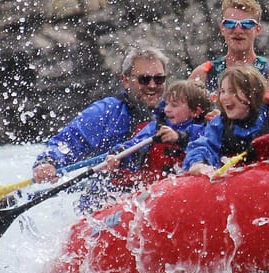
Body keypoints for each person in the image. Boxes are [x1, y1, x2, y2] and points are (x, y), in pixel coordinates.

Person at [32, 47, 169, 183]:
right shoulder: (106, 112)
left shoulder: (176, 112)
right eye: (144, 79)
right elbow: (69, 141)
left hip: (161, 190)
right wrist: (49, 162)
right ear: (126, 81)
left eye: (159, 79)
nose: (152, 85)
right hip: (111, 195)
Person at [184, 65, 269, 176]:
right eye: (223, 91)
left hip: (268, 181)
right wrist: (197, 163)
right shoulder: (219, 123)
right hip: (232, 186)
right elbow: (203, 145)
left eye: (232, 91)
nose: (225, 97)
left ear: (251, 94)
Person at [188, 0, 269, 116]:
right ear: (222, 29)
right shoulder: (203, 74)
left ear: (257, 30)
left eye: (247, 24)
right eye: (230, 24)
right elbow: (183, 121)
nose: (238, 30)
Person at [102, 79, 210, 186]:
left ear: (195, 112)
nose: (167, 109)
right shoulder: (155, 129)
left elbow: (201, 145)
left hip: (187, 187)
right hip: (154, 189)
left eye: (174, 105)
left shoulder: (206, 131)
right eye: (167, 104)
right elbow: (134, 145)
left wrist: (178, 137)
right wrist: (117, 155)